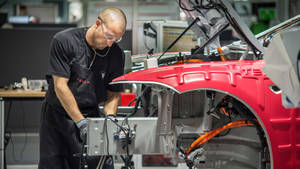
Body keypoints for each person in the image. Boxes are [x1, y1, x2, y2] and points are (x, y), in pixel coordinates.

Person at [38, 7, 127, 169]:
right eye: (108, 37)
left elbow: (113, 93)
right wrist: (81, 122)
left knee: (99, 164)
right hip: (57, 117)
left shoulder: (115, 54)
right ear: (98, 23)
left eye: (116, 40)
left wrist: (111, 118)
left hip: (91, 115)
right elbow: (60, 86)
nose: (109, 44)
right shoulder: (64, 41)